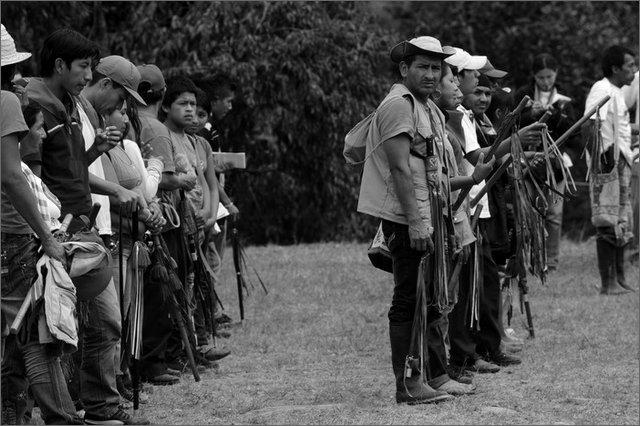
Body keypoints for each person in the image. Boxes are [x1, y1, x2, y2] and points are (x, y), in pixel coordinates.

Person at [24, 28, 149, 425]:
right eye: (83, 67)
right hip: (58, 236)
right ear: (59, 65)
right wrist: (47, 235)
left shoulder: (70, 106)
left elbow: (73, 169)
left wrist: (98, 150)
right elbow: (32, 180)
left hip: (81, 232)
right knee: (52, 335)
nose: (87, 76)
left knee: (103, 320)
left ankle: (98, 408)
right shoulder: (35, 107)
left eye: (91, 68)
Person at [357, 36, 486, 405]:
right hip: (407, 218)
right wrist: (416, 223)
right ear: (404, 69)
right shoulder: (399, 105)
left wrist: (471, 178)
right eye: (423, 67)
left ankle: (433, 375)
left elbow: (432, 172)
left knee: (428, 300)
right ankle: (409, 383)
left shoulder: (426, 106)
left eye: (435, 68)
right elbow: (399, 168)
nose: (431, 74)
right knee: (409, 299)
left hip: (429, 214)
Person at [0, 24, 82, 425]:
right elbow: (12, 177)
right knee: (26, 334)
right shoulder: (4, 102)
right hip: (11, 233)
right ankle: (42, 416)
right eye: (10, 69)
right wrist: (47, 238)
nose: (17, 78)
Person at [134, 64, 185, 386]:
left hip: (144, 216)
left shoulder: (134, 123)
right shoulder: (154, 128)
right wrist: (186, 179)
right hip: (161, 220)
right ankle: (155, 361)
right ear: (163, 96)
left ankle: (151, 359)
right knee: (161, 290)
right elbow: (164, 178)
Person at [514, 53, 578, 271]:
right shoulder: (523, 95)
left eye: (549, 77)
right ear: (534, 76)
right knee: (527, 210)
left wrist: (556, 115)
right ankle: (528, 258)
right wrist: (531, 114)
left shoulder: (563, 100)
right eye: (541, 77)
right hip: (525, 162)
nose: (546, 82)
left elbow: (573, 134)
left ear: (556, 74)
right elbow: (510, 124)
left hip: (555, 164)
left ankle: (551, 261)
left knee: (554, 213)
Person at [584, 45, 637, 295]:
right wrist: (600, 161)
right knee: (607, 220)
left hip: (621, 161)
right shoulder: (601, 89)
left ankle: (619, 277)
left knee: (620, 221)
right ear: (615, 68)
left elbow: (619, 127)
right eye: (629, 65)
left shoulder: (616, 92)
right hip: (608, 164)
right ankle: (608, 282)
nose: (634, 70)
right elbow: (590, 124)